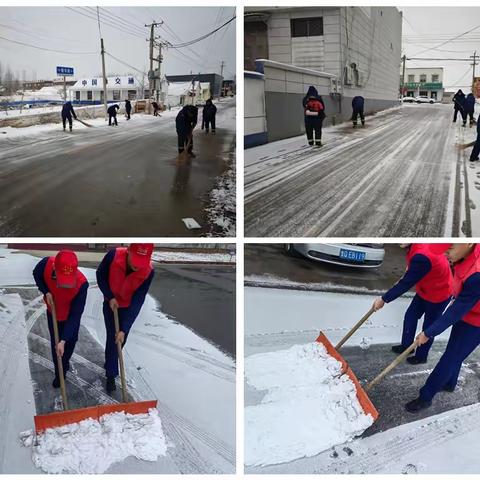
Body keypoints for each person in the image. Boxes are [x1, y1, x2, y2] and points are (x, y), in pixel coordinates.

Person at [405, 243, 480, 412]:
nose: (446, 253)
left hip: (477, 321)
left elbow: (454, 312)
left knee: (450, 357)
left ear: (469, 243)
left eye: (450, 249)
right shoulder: (463, 255)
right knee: (454, 352)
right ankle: (449, 383)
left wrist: (428, 333)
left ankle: (425, 397)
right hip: (469, 310)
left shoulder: (476, 275)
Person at [372, 243, 452, 364]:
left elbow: (406, 284)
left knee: (428, 327)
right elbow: (409, 274)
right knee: (410, 316)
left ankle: (421, 356)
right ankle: (406, 347)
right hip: (425, 289)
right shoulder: (415, 247)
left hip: (439, 294)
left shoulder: (422, 257)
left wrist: (383, 299)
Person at [96, 244, 154, 393]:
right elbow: (100, 275)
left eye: (141, 262)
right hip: (110, 304)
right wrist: (109, 296)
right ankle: (111, 375)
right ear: (128, 251)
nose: (137, 266)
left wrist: (125, 328)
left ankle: (110, 359)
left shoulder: (149, 272)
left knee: (122, 338)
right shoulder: (113, 256)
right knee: (113, 339)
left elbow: (138, 299)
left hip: (128, 307)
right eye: (135, 260)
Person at [32, 250, 88, 388]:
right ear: (54, 268)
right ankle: (60, 374)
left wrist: (63, 340)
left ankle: (65, 362)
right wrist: (46, 291)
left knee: (69, 342)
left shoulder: (82, 284)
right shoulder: (45, 264)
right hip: (54, 313)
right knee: (56, 347)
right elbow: (36, 275)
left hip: (70, 316)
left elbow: (76, 314)